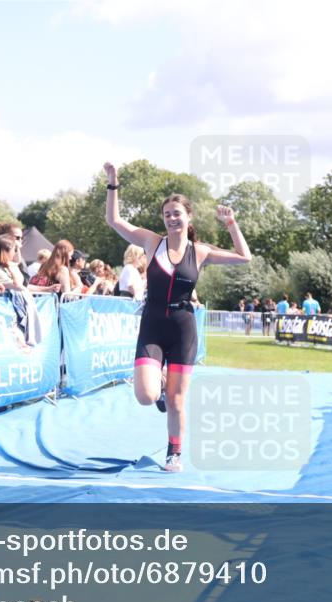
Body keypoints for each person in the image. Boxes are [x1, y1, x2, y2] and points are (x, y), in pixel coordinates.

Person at [104, 161, 251, 472]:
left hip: (183, 329)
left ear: (188, 217)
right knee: (146, 395)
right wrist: (113, 183)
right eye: (167, 214)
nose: (171, 218)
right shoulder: (150, 242)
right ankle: (158, 384)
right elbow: (114, 220)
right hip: (153, 325)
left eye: (177, 213)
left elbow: (244, 257)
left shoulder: (200, 252)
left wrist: (231, 224)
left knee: (176, 401)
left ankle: (174, 453)